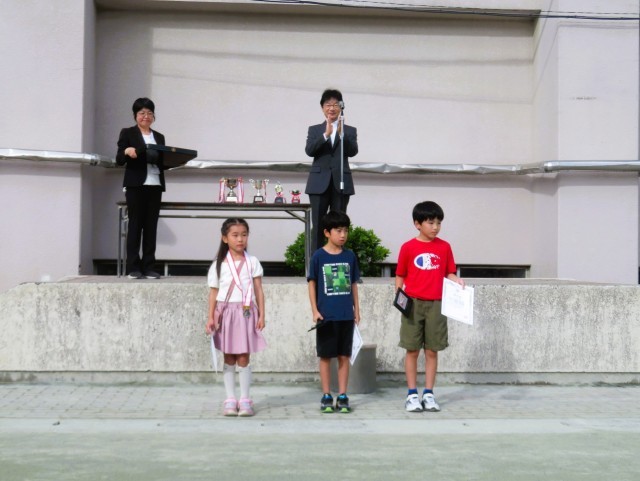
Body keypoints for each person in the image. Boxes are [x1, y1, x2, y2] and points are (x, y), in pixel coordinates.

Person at [395, 201, 465, 413]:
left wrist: (457, 280)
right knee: (412, 350)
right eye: (431, 222)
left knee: (432, 351)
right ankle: (412, 394)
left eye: (439, 223)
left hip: (437, 303)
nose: (435, 227)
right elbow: (400, 275)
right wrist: (400, 299)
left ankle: (428, 393)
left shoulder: (444, 247)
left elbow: (449, 272)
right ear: (417, 224)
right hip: (413, 304)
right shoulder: (408, 247)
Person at [206, 218, 266, 417]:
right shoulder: (218, 265)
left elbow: (259, 290)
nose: (240, 239)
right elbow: (213, 293)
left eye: (244, 235)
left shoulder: (252, 262)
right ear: (225, 238)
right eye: (235, 235)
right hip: (225, 313)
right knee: (229, 356)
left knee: (243, 356)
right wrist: (210, 317)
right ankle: (230, 399)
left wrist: (262, 314)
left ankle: (245, 399)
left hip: (246, 311)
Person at [307, 211, 361, 413]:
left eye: (345, 230)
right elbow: (312, 284)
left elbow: (353, 284)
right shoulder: (318, 256)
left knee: (344, 356)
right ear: (327, 233)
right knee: (325, 356)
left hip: (346, 315)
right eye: (338, 231)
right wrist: (315, 310)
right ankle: (326, 395)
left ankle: (343, 395)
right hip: (326, 317)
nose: (343, 235)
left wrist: (357, 309)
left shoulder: (350, 256)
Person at [116, 97, 165, 279]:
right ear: (135, 115)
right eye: (142, 113)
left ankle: (149, 266)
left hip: (155, 184)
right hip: (136, 184)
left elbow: (163, 160)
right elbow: (119, 159)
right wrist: (126, 151)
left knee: (151, 227)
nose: (146, 116)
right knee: (135, 225)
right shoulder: (128, 133)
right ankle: (133, 267)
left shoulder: (159, 137)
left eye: (149, 113)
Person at [305, 88, 358, 252]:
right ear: (322, 108)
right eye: (328, 105)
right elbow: (309, 151)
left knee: (339, 224)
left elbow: (353, 151)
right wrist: (325, 135)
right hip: (318, 183)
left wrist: (342, 135)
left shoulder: (350, 130)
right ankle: (316, 262)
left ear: (341, 107)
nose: (332, 108)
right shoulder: (315, 129)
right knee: (318, 224)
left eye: (335, 104)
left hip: (340, 182)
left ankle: (338, 259)